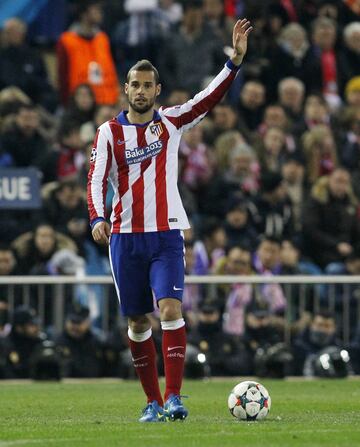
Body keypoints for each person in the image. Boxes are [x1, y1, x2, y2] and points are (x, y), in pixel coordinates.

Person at [88, 18, 253, 422]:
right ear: (126, 89)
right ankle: (151, 402)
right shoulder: (108, 133)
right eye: (135, 84)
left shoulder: (171, 121)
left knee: (170, 308)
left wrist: (234, 63)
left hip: (165, 234)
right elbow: (94, 178)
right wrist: (96, 216)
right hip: (125, 237)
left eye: (148, 85)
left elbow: (207, 99)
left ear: (157, 91)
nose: (141, 91)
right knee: (137, 319)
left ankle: (175, 396)